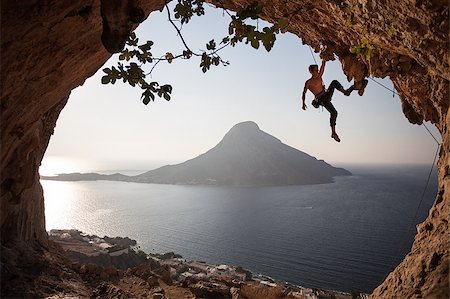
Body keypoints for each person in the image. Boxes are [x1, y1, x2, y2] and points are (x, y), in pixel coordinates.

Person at [301, 59, 367, 142]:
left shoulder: (319, 76)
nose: (317, 72)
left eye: (317, 70)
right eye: (315, 70)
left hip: (326, 94)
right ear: (311, 71)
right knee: (334, 113)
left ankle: (346, 92)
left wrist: (324, 58)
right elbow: (304, 92)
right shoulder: (308, 82)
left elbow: (323, 65)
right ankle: (333, 133)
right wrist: (303, 103)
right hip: (321, 99)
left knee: (334, 82)